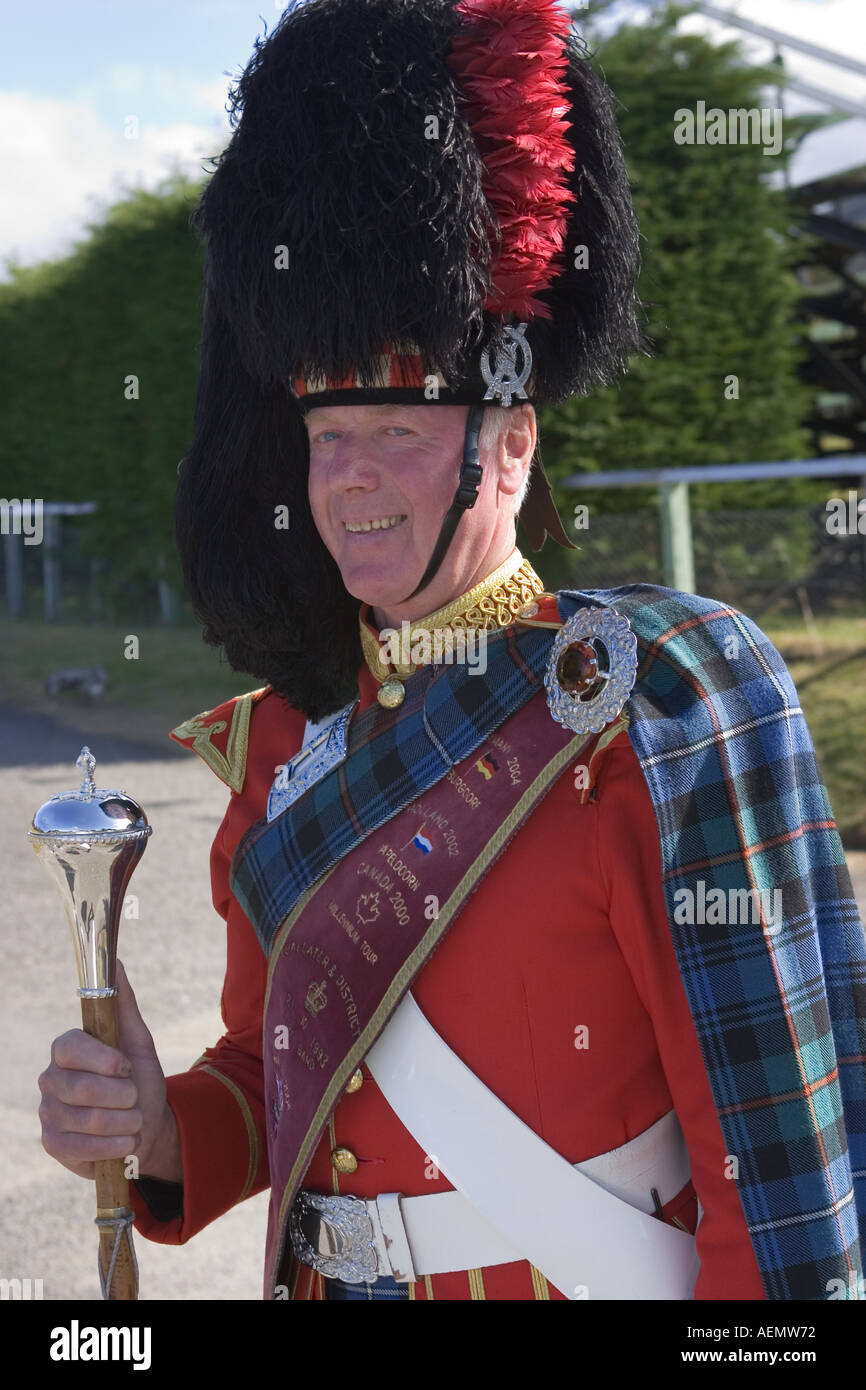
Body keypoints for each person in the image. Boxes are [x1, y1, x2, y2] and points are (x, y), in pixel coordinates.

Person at [39, 0, 865, 1302]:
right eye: (327, 439)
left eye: (401, 433)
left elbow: (771, 1162)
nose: (353, 481)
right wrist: (153, 1121)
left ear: (513, 440)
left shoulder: (649, 704)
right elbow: (278, 1071)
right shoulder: (282, 741)